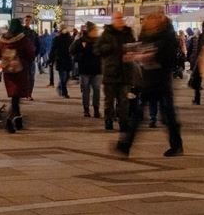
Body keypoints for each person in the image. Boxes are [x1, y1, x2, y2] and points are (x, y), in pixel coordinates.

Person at [117, 9, 182, 157]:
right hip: (148, 79)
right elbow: (140, 47)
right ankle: (125, 145)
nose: (149, 22)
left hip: (162, 80)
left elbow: (169, 58)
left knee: (168, 115)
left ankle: (176, 145)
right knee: (139, 113)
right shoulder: (146, 34)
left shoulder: (168, 36)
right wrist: (134, 55)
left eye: (153, 19)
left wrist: (150, 56)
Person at [97, 11, 135, 131]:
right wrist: (109, 47)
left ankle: (123, 123)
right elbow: (97, 49)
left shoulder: (128, 33)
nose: (119, 20)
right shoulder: (106, 34)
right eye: (117, 18)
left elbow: (134, 46)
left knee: (124, 101)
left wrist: (132, 52)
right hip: (110, 72)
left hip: (125, 73)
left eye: (121, 18)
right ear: (112, 20)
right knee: (109, 100)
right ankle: (108, 121)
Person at [0, 18, 36, 134]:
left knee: (15, 96)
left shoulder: (3, 40)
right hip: (20, 70)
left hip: (8, 71)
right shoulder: (22, 39)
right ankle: (9, 120)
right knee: (16, 97)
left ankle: (19, 121)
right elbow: (30, 53)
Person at [72, 21, 102, 119]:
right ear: (90, 31)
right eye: (95, 30)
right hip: (84, 70)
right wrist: (79, 56)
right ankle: (86, 110)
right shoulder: (81, 40)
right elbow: (72, 51)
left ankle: (96, 109)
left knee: (97, 90)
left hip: (97, 70)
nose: (96, 31)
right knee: (86, 91)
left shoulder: (99, 41)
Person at [49, 24, 74, 97]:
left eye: (65, 28)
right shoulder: (57, 39)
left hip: (68, 60)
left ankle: (60, 87)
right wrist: (51, 59)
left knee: (67, 77)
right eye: (63, 28)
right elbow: (52, 50)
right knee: (63, 77)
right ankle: (64, 92)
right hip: (60, 60)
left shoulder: (70, 38)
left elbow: (73, 48)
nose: (64, 29)